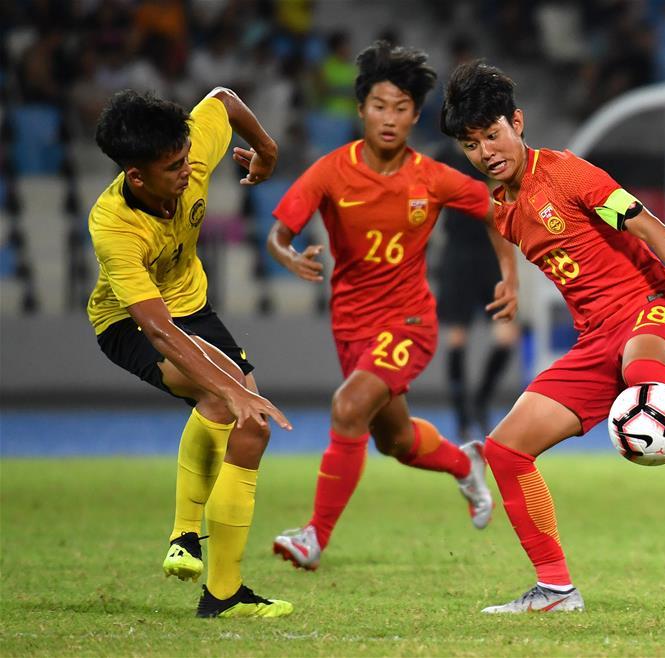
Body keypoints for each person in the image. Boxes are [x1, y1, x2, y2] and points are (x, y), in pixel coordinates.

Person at [440, 60, 665, 614]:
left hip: (651, 309)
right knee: (505, 450)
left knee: (643, 375)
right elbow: (499, 228)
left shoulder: (567, 173)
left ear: (518, 122)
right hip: (595, 340)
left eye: (493, 134)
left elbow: (645, 224)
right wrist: (509, 282)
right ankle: (556, 590)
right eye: (471, 144)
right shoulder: (505, 209)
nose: (486, 151)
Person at [267, 41, 518, 571]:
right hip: (351, 326)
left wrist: (510, 277)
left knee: (348, 406)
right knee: (395, 440)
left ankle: (315, 536)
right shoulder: (331, 172)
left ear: (415, 115)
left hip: (409, 322)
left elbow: (497, 210)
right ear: (361, 109)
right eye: (379, 106)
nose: (389, 118)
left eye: (401, 108)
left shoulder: (432, 177)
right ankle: (465, 461)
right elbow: (278, 234)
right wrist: (288, 256)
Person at [88, 88, 293, 618]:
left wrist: (266, 150)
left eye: (186, 159)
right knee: (241, 409)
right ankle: (205, 563)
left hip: (193, 308)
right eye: (174, 166)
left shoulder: (189, 149)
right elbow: (158, 332)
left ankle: (207, 571)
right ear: (137, 176)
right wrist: (228, 387)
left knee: (243, 418)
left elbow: (223, 100)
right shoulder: (112, 224)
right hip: (130, 324)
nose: (188, 170)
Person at [436, 141, 520, 442]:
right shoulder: (443, 158)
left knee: (507, 337)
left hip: (491, 254)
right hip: (457, 255)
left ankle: (480, 402)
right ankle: (461, 418)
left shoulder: (495, 155)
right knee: (457, 338)